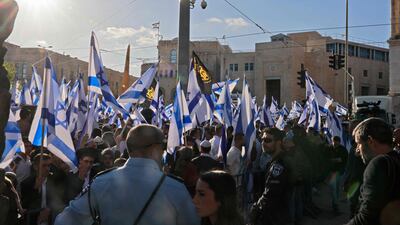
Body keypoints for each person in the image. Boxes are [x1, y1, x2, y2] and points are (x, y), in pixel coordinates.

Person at [55, 124, 200, 225]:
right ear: (155, 148)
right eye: (162, 147)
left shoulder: (102, 183)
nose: (163, 152)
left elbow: (64, 221)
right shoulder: (175, 188)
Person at [346, 118, 400, 225]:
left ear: (370, 141)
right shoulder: (396, 159)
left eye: (358, 144)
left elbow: (367, 217)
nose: (357, 150)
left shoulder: (378, 163)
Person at [250, 128, 290, 225]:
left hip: (274, 217)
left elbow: (270, 196)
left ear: (278, 143)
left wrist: (255, 209)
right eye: (262, 139)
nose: (263, 143)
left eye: (268, 140)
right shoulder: (275, 161)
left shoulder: (278, 165)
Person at [328, 136, 348, 214]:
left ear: (339, 142)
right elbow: (326, 158)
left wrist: (335, 160)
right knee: (333, 189)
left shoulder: (343, 149)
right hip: (332, 172)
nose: (334, 143)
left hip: (340, 172)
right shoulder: (329, 148)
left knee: (337, 190)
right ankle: (335, 206)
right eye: (333, 141)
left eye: (336, 141)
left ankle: (335, 204)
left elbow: (343, 159)